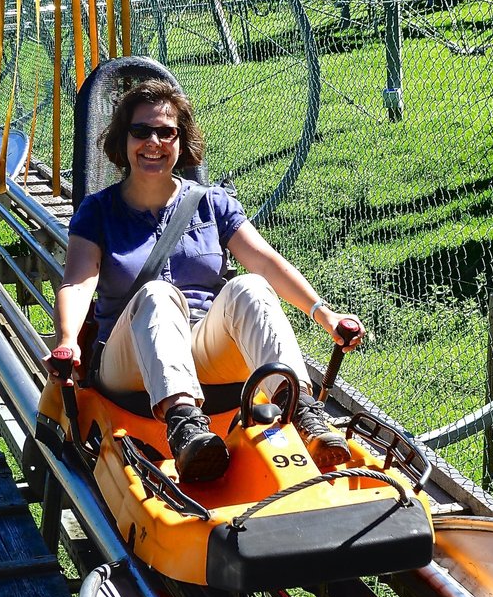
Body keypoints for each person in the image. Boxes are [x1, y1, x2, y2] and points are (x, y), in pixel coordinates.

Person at [43, 78, 364, 483]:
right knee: (157, 295)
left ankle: (300, 410)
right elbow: (77, 282)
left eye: (166, 132)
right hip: (127, 358)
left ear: (181, 140)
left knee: (250, 287)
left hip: (202, 347)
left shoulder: (213, 203)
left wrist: (324, 314)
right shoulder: (98, 211)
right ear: (123, 141)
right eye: (141, 131)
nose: (153, 143)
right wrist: (68, 341)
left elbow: (264, 262)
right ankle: (185, 428)